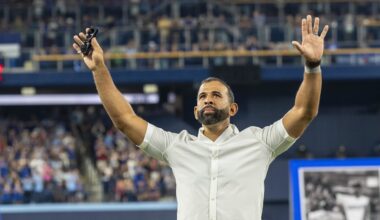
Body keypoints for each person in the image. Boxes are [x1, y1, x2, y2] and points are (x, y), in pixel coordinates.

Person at [73, 15, 329, 220]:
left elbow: (304, 112)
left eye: (216, 95)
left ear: (233, 109)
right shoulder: (176, 146)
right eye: (202, 96)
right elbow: (124, 120)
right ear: (195, 111)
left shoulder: (260, 142)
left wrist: (312, 66)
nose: (208, 99)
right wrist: (99, 69)